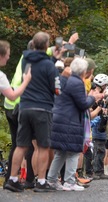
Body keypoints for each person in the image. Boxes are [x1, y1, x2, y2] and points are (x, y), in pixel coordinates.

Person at [4, 31, 61, 192]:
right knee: (43, 146)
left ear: (34, 44)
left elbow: (39, 64)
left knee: (21, 145)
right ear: (46, 45)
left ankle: (13, 179)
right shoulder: (49, 66)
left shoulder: (26, 60)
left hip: (24, 107)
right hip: (42, 108)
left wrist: (53, 58)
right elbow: (57, 89)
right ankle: (41, 181)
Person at [47, 58, 102, 191]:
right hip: (70, 121)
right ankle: (69, 181)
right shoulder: (77, 82)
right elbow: (82, 104)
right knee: (73, 152)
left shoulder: (66, 80)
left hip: (59, 119)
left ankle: (52, 180)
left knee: (60, 152)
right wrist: (94, 97)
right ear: (84, 71)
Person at [2, 40, 34, 189]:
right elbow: (25, 82)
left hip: (10, 106)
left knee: (17, 144)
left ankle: (10, 178)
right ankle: (29, 179)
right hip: (20, 105)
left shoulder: (23, 58)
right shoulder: (30, 61)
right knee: (27, 144)